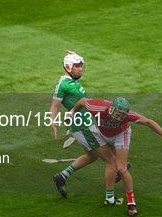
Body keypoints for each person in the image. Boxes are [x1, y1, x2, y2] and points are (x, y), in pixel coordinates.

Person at [70, 96, 162, 216]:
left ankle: (131, 203)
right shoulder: (97, 107)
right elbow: (82, 101)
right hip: (101, 133)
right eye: (117, 114)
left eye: (122, 116)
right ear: (111, 109)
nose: (119, 118)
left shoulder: (128, 116)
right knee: (110, 162)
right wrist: (72, 112)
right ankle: (109, 197)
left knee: (121, 168)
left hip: (121, 135)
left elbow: (148, 122)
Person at [50, 51, 121, 206]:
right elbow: (55, 104)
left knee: (93, 156)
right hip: (84, 127)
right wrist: (53, 121)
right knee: (110, 160)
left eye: (81, 65)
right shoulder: (63, 84)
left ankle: (62, 176)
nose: (80, 68)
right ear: (68, 67)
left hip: (88, 124)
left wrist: (75, 55)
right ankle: (110, 198)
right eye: (77, 66)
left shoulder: (71, 80)